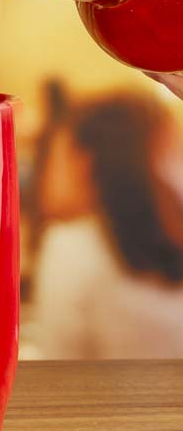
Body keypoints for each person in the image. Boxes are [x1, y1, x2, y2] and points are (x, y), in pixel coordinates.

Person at [29, 91, 183, 359]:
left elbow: (60, 361)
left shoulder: (70, 246)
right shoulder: (168, 228)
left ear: (84, 163)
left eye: (54, 158)